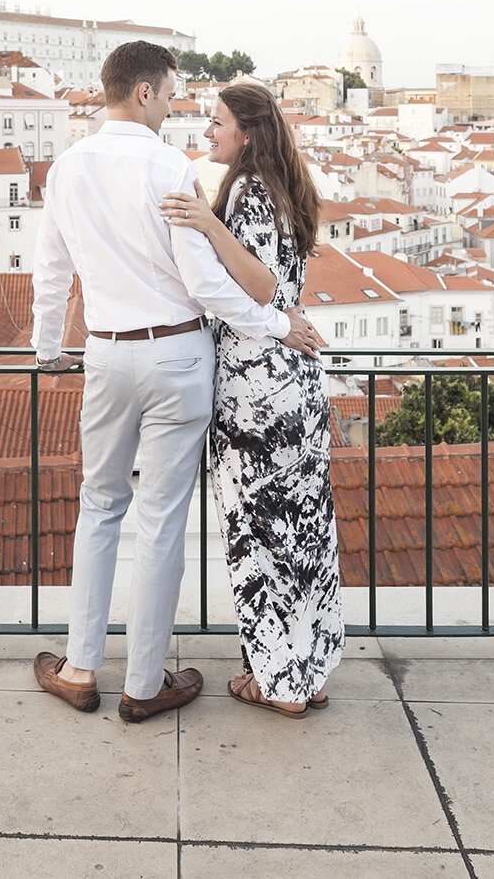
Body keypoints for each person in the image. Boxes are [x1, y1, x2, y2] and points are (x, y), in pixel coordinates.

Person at [31, 41, 326, 723]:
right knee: (161, 521)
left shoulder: (67, 167)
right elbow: (205, 284)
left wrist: (48, 352)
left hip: (105, 353)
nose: (175, 104)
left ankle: (79, 668)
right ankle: (142, 684)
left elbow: (51, 272)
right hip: (178, 357)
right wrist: (283, 327)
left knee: (99, 507)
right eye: (169, 93)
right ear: (143, 93)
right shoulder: (170, 167)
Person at [159, 81, 344, 717]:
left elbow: (262, 286)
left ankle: (275, 682)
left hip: (254, 387)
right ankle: (305, 673)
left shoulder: (246, 191)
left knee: (259, 535)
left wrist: (207, 221)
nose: (208, 134)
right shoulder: (289, 190)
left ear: (248, 133)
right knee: (304, 535)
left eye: (217, 124)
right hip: (295, 384)